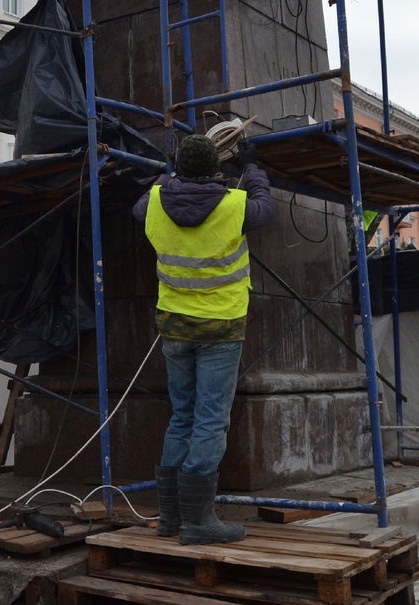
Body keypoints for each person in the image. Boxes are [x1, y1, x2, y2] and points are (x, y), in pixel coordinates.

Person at [133, 133, 272, 545]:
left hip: (175, 326)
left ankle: (170, 518)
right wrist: (251, 169)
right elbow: (265, 209)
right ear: (216, 169)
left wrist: (165, 175)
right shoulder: (235, 205)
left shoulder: (154, 202)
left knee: (182, 415)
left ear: (178, 168)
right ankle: (198, 521)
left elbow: (143, 201)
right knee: (210, 420)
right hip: (221, 327)